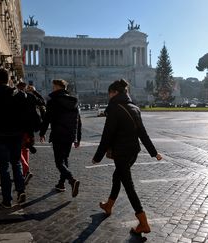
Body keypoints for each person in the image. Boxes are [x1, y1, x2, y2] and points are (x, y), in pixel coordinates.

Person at [92, 79, 162, 235]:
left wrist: (98, 156)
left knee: (128, 186)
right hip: (133, 152)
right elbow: (142, 133)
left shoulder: (115, 108)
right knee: (117, 177)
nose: (108, 96)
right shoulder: (134, 108)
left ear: (115, 93)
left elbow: (107, 136)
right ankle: (109, 205)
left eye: (109, 93)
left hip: (121, 152)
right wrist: (153, 152)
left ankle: (143, 222)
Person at [0, 68, 28, 208]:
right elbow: (24, 114)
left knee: (4, 168)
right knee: (16, 163)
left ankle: (7, 200)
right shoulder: (18, 94)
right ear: (9, 79)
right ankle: (20, 190)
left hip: (0, 134)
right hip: (16, 134)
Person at [39, 79, 81, 197]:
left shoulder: (53, 101)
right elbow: (78, 121)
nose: (53, 89)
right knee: (65, 159)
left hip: (58, 134)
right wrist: (78, 137)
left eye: (53, 87)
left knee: (59, 162)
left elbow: (47, 118)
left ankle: (72, 180)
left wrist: (42, 132)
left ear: (58, 87)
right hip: (70, 135)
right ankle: (61, 184)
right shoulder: (74, 101)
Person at [15, 81, 45, 185]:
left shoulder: (14, 97)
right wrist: (35, 92)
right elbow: (42, 102)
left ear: (17, 88)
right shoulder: (31, 97)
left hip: (18, 128)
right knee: (25, 149)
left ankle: (26, 170)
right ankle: (25, 172)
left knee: (16, 150)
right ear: (26, 88)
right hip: (29, 128)